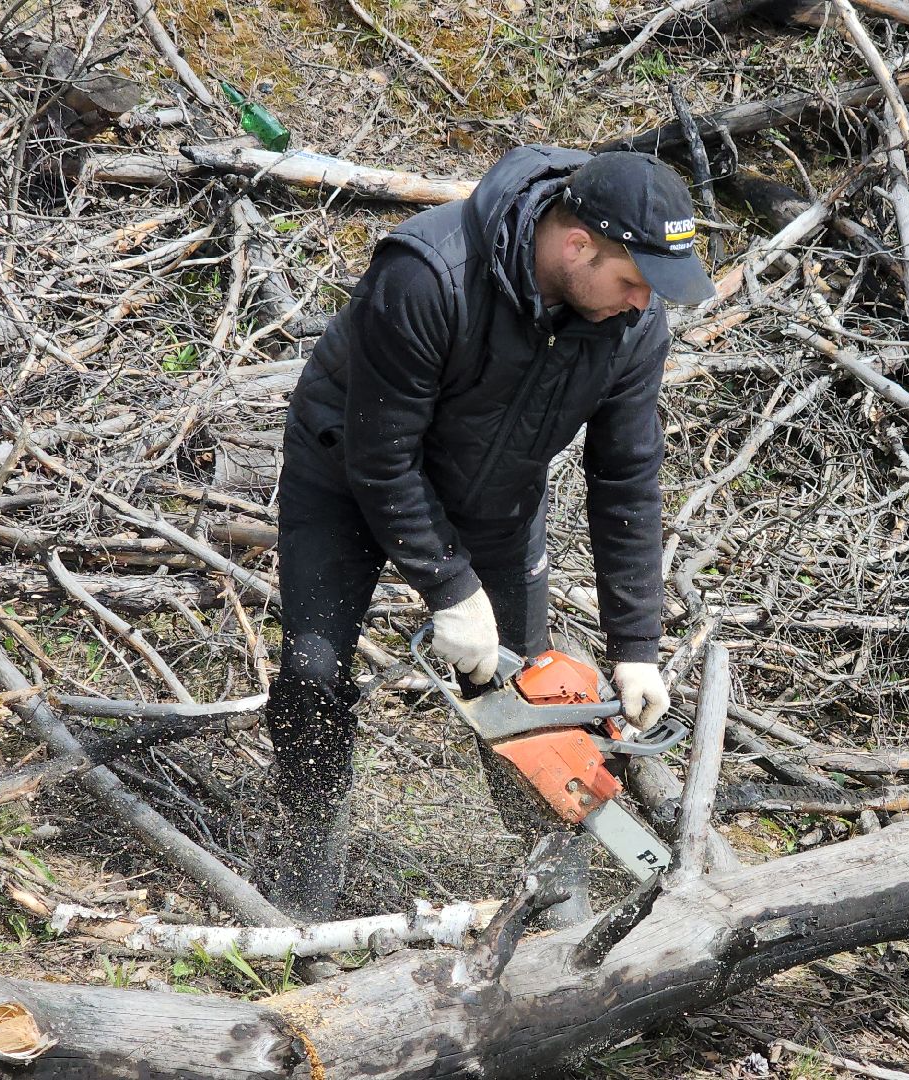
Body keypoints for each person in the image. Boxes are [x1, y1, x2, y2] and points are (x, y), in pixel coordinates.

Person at [265, 146, 717, 920]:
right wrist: (448, 584)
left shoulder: (631, 328)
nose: (644, 304)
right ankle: (304, 876)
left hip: (496, 495)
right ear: (577, 247)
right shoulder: (429, 273)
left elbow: (627, 480)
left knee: (528, 701)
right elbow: (382, 455)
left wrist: (636, 645)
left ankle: (554, 897)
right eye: (633, 281)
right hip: (347, 469)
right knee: (312, 673)